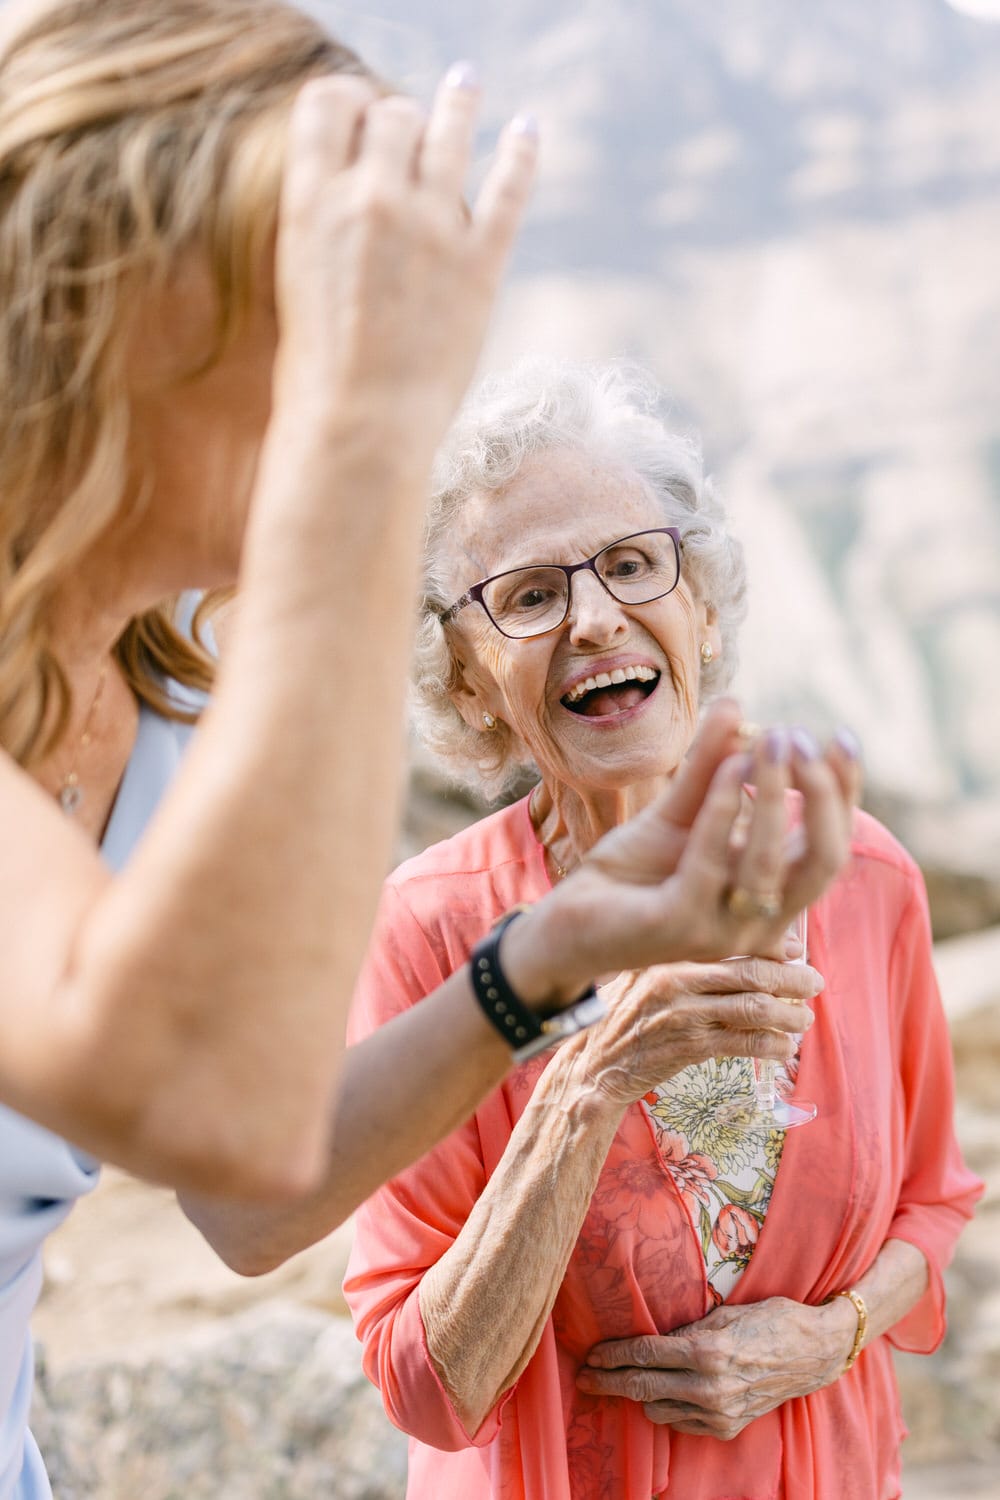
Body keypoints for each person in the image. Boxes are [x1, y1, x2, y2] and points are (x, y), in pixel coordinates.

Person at [0, 5, 861, 1499]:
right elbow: (165, 1087)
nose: (357, 361)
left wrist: (556, 952)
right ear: (127, 297)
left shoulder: (170, 696)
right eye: (320, 293)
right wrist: (369, 447)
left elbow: (247, 1193)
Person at [341, 358, 984, 1500]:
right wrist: (593, 1082)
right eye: (530, 596)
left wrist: (830, 1336)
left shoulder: (858, 872)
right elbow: (424, 1385)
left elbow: (930, 1201)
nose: (595, 617)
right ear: (472, 680)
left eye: (633, 567)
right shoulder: (434, 932)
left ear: (696, 607)